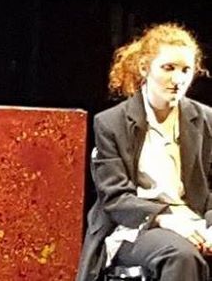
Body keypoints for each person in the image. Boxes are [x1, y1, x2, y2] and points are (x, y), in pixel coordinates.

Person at [76, 22, 212, 281]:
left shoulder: (206, 119)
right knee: (181, 255)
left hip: (194, 221)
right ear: (144, 68)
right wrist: (165, 219)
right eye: (168, 68)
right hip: (138, 225)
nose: (178, 80)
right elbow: (115, 197)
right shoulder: (112, 123)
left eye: (185, 70)